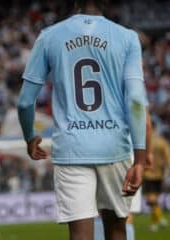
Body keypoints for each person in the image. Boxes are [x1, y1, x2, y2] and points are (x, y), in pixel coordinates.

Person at [17, 0, 147, 240]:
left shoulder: (49, 36)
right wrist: (140, 158)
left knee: (80, 236)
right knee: (117, 230)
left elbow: (25, 101)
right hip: (114, 147)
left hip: (71, 147)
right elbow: (137, 101)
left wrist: (29, 137)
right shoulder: (127, 38)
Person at [94, 111, 153, 240]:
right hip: (129, 155)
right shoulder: (133, 92)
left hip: (101, 151)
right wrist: (147, 154)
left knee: (102, 211)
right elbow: (146, 124)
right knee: (124, 213)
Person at [143, 120, 170, 232]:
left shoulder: (143, 142)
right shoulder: (162, 142)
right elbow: (168, 158)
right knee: (153, 200)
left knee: (151, 200)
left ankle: (159, 220)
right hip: (159, 175)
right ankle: (156, 222)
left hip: (148, 175)